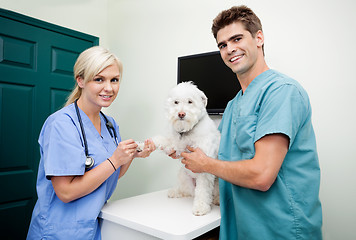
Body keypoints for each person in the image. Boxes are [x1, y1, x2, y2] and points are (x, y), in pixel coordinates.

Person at [179, 5, 323, 240]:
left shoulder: (282, 92)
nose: (229, 49)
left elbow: (261, 175)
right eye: (222, 45)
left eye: (236, 39)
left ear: (259, 38)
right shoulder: (235, 104)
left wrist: (204, 164)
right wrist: (184, 151)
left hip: (280, 228)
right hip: (240, 225)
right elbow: (221, 156)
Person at [26, 46, 155, 239]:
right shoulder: (61, 124)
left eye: (115, 80)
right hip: (58, 231)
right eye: (99, 79)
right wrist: (114, 160)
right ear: (80, 80)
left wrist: (130, 156)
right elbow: (66, 192)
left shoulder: (110, 125)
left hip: (91, 228)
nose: (109, 88)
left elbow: (111, 174)